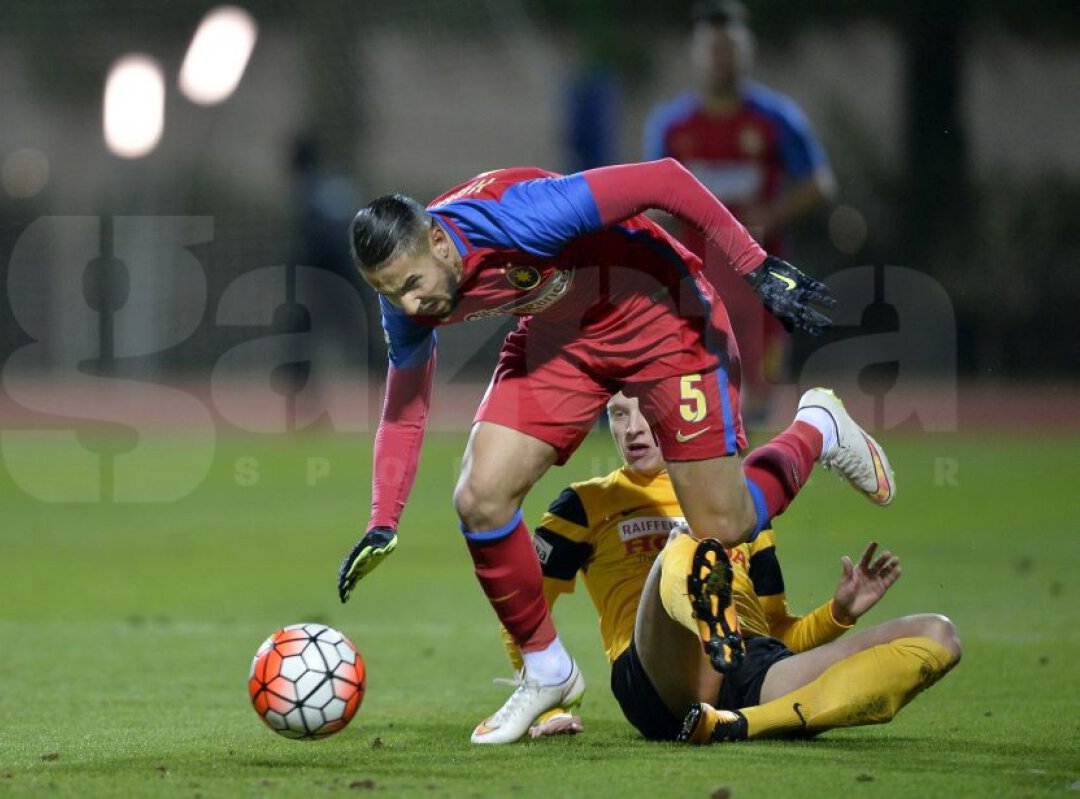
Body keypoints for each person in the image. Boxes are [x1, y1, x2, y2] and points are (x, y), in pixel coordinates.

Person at [336, 157, 893, 744]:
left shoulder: (521, 216)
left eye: (411, 285)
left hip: (662, 314)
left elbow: (666, 180)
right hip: (564, 338)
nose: (405, 306)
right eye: (387, 293)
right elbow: (404, 406)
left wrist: (753, 267)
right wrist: (382, 519)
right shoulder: (405, 293)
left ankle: (818, 428)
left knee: (722, 523)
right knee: (480, 497)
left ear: (439, 241)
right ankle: (546, 669)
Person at [522, 391, 959, 742]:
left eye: (647, 412)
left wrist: (839, 613)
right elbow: (524, 611)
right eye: (618, 415)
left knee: (938, 635)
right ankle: (711, 626)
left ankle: (740, 724)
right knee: (692, 537)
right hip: (659, 676)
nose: (633, 429)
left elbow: (779, 632)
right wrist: (552, 706)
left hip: (747, 668)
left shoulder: (741, 507)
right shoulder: (585, 504)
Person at [643, 0, 836, 424]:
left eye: (728, 48)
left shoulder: (774, 119)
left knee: (756, 401)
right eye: (711, 49)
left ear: (745, 53)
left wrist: (772, 215)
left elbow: (819, 184)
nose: (719, 58)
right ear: (696, 57)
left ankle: (755, 485)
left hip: (759, 283)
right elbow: (650, 197)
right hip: (695, 280)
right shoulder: (672, 127)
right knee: (697, 397)